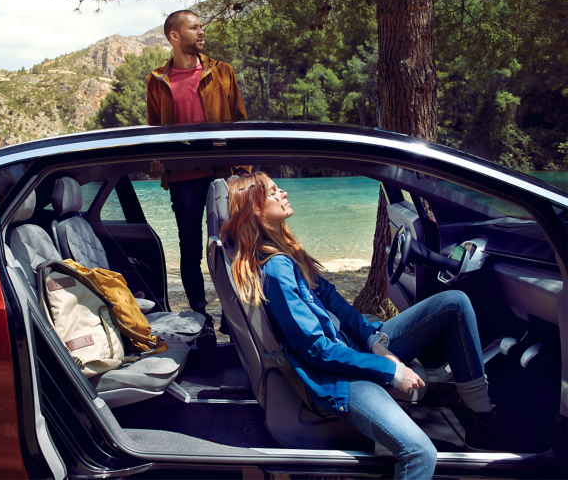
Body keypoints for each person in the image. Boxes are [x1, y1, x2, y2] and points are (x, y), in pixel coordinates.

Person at [220, 171, 535, 477]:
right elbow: (316, 349)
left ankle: (482, 422)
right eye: (272, 192)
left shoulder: (288, 253)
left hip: (352, 347)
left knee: (453, 304)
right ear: (255, 210)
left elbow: (336, 303)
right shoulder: (275, 269)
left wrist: (373, 341)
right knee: (420, 453)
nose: (283, 193)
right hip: (338, 378)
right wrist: (391, 370)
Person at [146, 9, 248, 348]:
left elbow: (240, 123)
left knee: (233, 245)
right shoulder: (156, 79)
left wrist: (244, 171)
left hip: (222, 174)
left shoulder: (223, 72)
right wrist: (155, 160)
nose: (201, 32)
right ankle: (200, 317)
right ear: (175, 36)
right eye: (194, 27)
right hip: (182, 177)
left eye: (201, 26)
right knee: (190, 249)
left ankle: (237, 319)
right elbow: (154, 132)